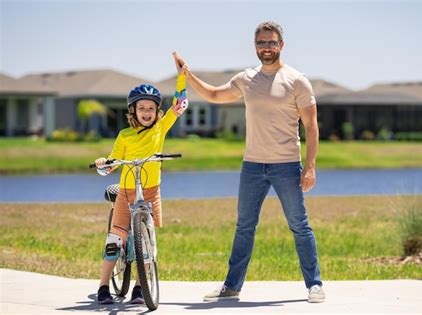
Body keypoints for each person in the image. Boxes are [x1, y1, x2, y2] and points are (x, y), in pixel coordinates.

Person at [173, 21, 325, 303]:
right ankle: (232, 286)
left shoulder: (297, 80)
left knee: (299, 225)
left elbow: (312, 127)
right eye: (261, 43)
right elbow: (215, 94)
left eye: (271, 42)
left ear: (281, 45)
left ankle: (314, 284)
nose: (266, 48)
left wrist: (310, 166)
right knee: (244, 226)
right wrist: (188, 75)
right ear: (255, 46)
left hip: (286, 165)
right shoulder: (247, 79)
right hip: (253, 166)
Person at [95, 55, 188, 304]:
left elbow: (179, 104)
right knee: (116, 238)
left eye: (150, 108)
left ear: (157, 111)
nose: (146, 112)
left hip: (151, 190)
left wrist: (181, 77)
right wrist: (105, 163)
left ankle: (140, 287)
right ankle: (104, 286)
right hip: (126, 190)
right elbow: (114, 162)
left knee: (148, 241)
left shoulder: (160, 128)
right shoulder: (125, 135)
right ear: (133, 111)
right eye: (141, 108)